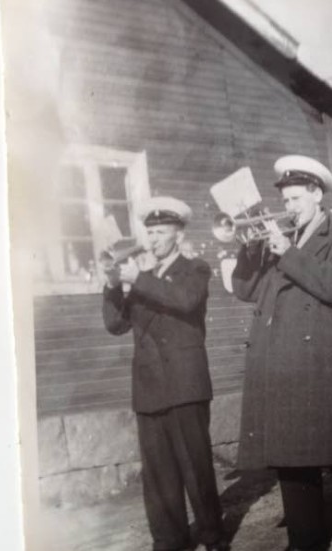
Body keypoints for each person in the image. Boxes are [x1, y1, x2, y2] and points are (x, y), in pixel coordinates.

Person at [231, 155, 332, 551]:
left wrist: (287, 251)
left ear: (318, 195)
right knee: (292, 463)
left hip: (318, 362)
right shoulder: (278, 246)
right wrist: (249, 251)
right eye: (285, 201)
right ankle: (305, 542)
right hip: (280, 367)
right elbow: (244, 289)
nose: (289, 209)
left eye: (296, 199)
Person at [101, 197, 228, 551]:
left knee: (195, 468)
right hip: (148, 388)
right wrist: (112, 284)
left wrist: (138, 279)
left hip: (186, 385)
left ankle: (213, 538)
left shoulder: (195, 269)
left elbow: (184, 301)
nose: (152, 239)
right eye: (150, 232)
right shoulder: (140, 277)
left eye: (160, 232)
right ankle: (168, 541)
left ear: (177, 234)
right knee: (158, 477)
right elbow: (115, 324)